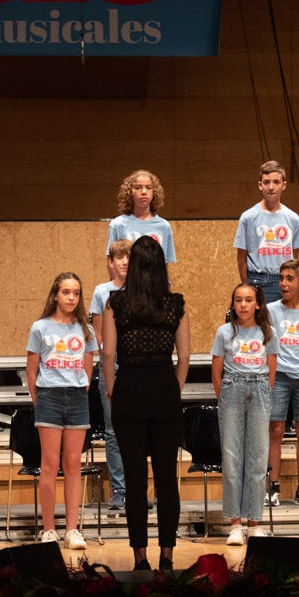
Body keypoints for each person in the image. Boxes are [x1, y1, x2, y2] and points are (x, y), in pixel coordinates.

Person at [102, 237, 190, 571]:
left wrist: (112, 388)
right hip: (164, 389)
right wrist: (174, 389)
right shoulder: (175, 303)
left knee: (135, 480)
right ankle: (167, 555)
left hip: (130, 389)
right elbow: (184, 356)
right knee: (167, 478)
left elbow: (108, 353)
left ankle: (140, 557)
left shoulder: (116, 304)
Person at [26, 272, 99, 550]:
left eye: (76, 293)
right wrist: (40, 401)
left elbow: (89, 369)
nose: (71, 297)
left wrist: (79, 389)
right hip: (49, 397)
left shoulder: (85, 330)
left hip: (77, 398)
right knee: (49, 465)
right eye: (66, 292)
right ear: (56, 294)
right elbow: (31, 372)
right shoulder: (40, 327)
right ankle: (48, 529)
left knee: (72, 465)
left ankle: (72, 530)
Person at [211, 283, 277, 546]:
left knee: (258, 457)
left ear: (258, 304)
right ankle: (235, 524)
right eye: (238, 300)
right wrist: (225, 395)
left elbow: (272, 370)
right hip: (232, 389)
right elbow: (216, 372)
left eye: (249, 300)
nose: (243, 305)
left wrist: (264, 393)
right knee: (232, 457)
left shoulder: (268, 333)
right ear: (233, 304)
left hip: (259, 388)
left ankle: (254, 522)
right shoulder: (224, 332)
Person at [265, 259, 299, 507]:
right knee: (275, 431)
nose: (283, 283)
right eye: (281, 278)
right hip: (280, 377)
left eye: (289, 278)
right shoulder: (271, 310)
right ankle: (272, 486)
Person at [89, 238, 131, 509]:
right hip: (112, 362)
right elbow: (99, 332)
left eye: (129, 257)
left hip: (137, 361)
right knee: (114, 429)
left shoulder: (143, 290)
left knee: (137, 430)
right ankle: (120, 488)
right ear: (111, 262)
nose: (125, 261)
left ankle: (137, 488)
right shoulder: (102, 291)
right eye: (119, 257)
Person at [234, 160, 299, 304]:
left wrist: (292, 284)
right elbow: (241, 258)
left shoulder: (293, 218)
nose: (271, 187)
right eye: (266, 182)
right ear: (260, 185)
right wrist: (247, 286)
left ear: (283, 185)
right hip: (256, 280)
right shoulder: (248, 217)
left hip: (282, 280)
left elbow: (294, 260)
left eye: (276, 182)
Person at [107, 169, 176, 266]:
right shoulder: (118, 224)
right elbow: (111, 262)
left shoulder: (164, 226)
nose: (144, 192)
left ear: (154, 192)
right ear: (130, 192)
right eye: (138, 187)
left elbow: (165, 262)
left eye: (148, 188)